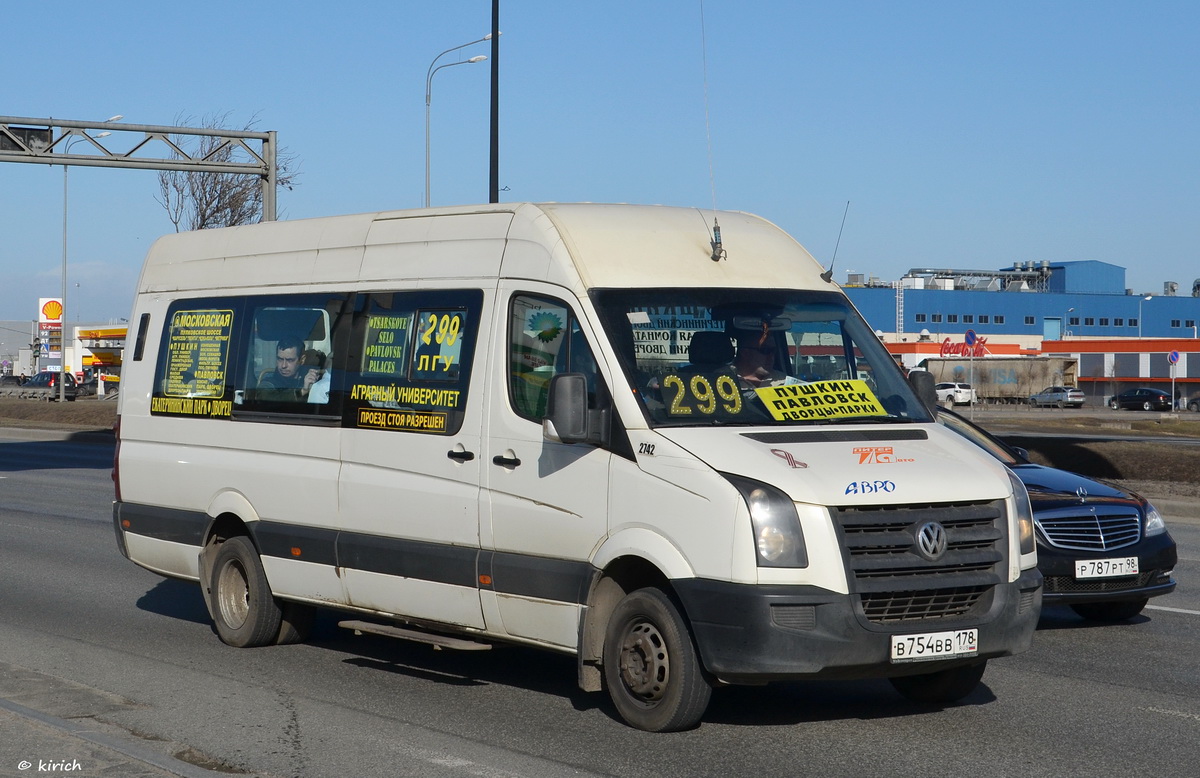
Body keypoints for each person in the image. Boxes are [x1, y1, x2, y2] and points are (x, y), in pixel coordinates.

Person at [258, 336, 318, 400]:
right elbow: (269, 400)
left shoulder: (311, 377)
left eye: (290, 360)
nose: (283, 365)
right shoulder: (268, 383)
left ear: (302, 360)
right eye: (280, 359)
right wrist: (302, 391)